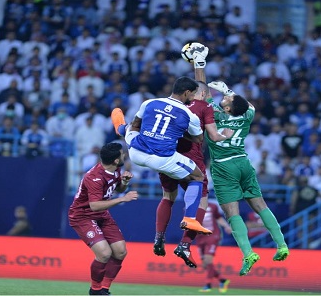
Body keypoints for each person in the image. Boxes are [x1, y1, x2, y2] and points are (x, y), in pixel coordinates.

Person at [193, 45, 290, 276]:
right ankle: (282, 245)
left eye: (228, 98)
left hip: (223, 167)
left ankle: (248, 254)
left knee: (232, 213)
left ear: (226, 107)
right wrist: (228, 90)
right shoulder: (246, 115)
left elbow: (202, 93)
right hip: (243, 163)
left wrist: (199, 64)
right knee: (260, 205)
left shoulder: (214, 113)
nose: (226, 97)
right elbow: (247, 105)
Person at [111, 75, 232, 236]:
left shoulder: (149, 103)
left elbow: (137, 124)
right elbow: (198, 139)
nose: (193, 98)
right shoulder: (189, 115)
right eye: (193, 94)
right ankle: (190, 218)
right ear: (187, 93)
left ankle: (120, 128)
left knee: (131, 130)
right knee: (198, 177)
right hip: (162, 158)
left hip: (136, 153)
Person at [153, 46, 234, 268]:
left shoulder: (168, 104)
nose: (207, 94)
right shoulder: (203, 106)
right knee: (202, 202)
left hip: (167, 156)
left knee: (167, 197)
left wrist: (199, 64)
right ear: (197, 93)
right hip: (192, 160)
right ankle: (185, 244)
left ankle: (159, 236)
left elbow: (201, 89)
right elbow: (213, 132)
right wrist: (225, 135)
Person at [68, 142, 139, 295]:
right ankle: (94, 290)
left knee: (120, 252)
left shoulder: (115, 169)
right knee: (104, 253)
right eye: (122, 154)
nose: (124, 155)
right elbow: (94, 205)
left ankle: (104, 289)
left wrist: (124, 182)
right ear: (115, 160)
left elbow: (118, 188)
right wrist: (122, 199)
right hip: (82, 216)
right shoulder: (94, 177)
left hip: (101, 214)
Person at [196, 199, 232, 293]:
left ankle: (208, 285)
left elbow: (218, 218)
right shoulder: (191, 206)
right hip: (199, 237)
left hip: (212, 235)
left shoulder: (212, 206)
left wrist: (226, 226)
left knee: (208, 260)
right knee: (205, 264)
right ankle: (222, 280)